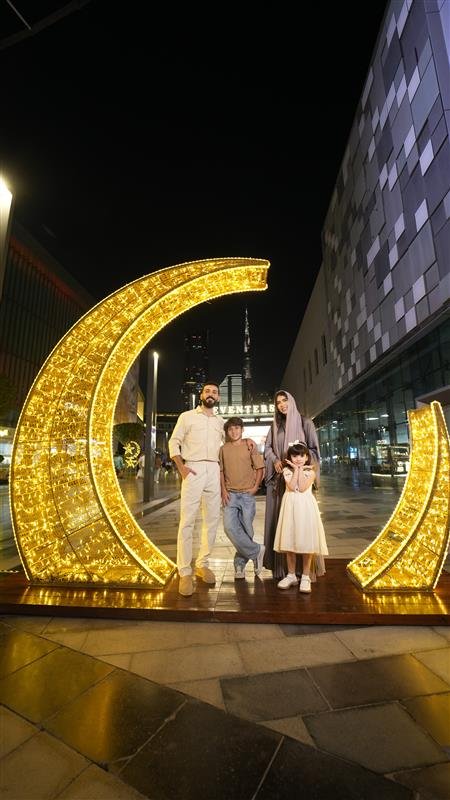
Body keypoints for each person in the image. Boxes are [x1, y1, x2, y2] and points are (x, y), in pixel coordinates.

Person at [169, 381, 225, 596]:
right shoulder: (187, 416)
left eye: (214, 392)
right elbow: (174, 441)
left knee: (212, 520)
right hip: (192, 468)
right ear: (201, 395)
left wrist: (247, 442)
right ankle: (184, 571)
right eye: (207, 391)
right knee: (188, 520)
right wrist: (181, 467)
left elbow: (228, 444)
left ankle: (203, 563)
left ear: (218, 398)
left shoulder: (220, 421)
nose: (211, 394)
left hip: (213, 469)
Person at [263, 389, 320, 579]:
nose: (282, 405)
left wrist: (299, 464)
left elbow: (314, 451)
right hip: (280, 483)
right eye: (278, 402)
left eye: (284, 400)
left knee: (301, 526)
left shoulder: (306, 423)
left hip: (301, 484)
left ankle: (304, 573)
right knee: (282, 526)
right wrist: (275, 460)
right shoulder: (275, 426)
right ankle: (285, 571)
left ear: (292, 401)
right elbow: (268, 448)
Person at [273, 442, 328, 592]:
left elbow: (302, 488)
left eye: (302, 455)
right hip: (290, 506)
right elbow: (292, 487)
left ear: (306, 457)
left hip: (305, 507)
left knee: (306, 541)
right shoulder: (286, 471)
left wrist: (299, 469)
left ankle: (305, 576)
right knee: (289, 539)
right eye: (295, 455)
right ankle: (291, 575)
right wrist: (297, 469)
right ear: (290, 457)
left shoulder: (311, 472)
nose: (298, 458)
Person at [219, 417, 265, 579]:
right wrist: (223, 490)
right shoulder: (223, 449)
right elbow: (221, 471)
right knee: (229, 527)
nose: (234, 432)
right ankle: (257, 551)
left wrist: (256, 487)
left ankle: (239, 564)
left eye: (237, 428)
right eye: (230, 429)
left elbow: (260, 468)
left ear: (242, 429)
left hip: (247, 495)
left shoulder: (249, 445)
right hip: (230, 495)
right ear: (227, 432)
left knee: (246, 530)